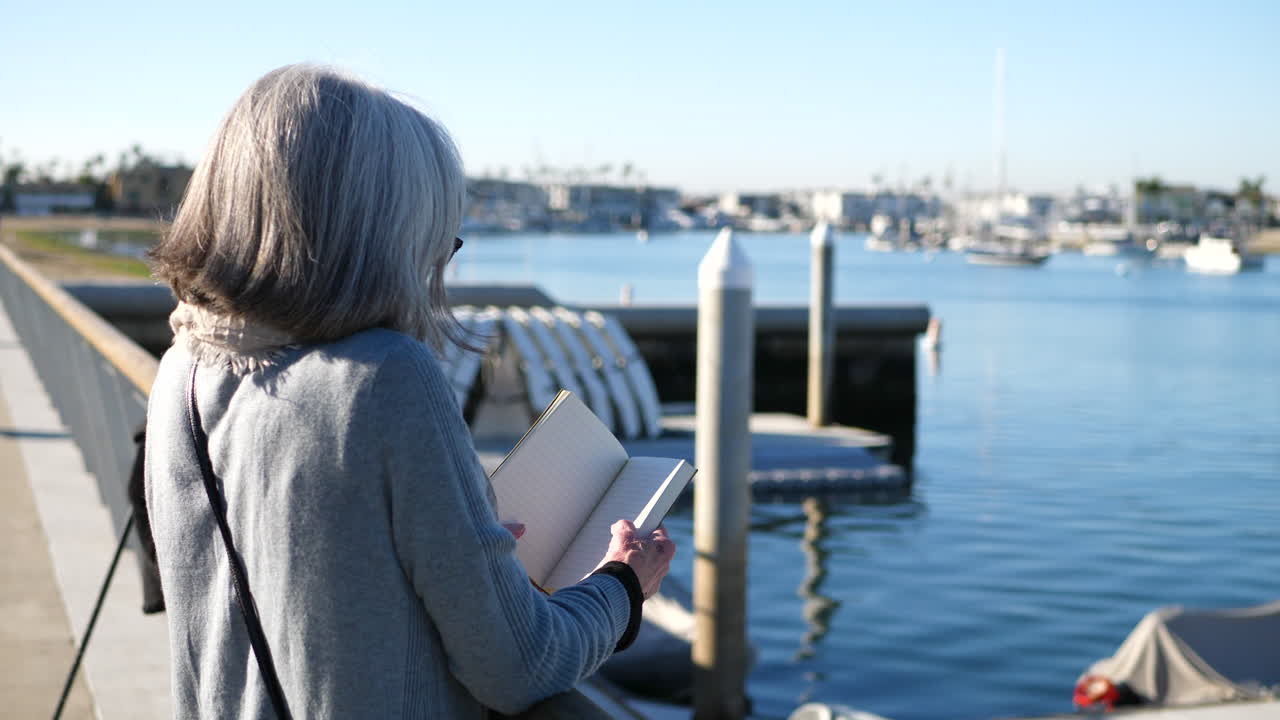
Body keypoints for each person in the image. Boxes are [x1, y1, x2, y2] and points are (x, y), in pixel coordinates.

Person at [144, 64, 674, 719]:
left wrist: (463, 557)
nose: (432, 267)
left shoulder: (182, 369)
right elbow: (522, 665)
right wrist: (622, 584)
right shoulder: (387, 377)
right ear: (378, 238)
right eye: (432, 242)